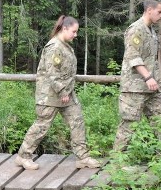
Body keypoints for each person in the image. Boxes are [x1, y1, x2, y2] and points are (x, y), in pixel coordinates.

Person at [14, 16, 101, 170]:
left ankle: (83, 157)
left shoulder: (65, 45)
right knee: (41, 126)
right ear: (64, 28)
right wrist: (62, 91)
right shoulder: (54, 46)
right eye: (74, 31)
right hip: (50, 95)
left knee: (77, 121)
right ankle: (23, 156)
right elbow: (52, 72)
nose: (76, 35)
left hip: (67, 93)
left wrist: (65, 91)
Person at [112, 0, 161, 152]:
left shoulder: (151, 30)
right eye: (160, 12)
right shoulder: (136, 29)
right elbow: (133, 56)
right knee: (129, 124)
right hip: (136, 87)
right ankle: (117, 162)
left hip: (152, 87)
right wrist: (148, 77)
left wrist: (153, 80)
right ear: (149, 10)